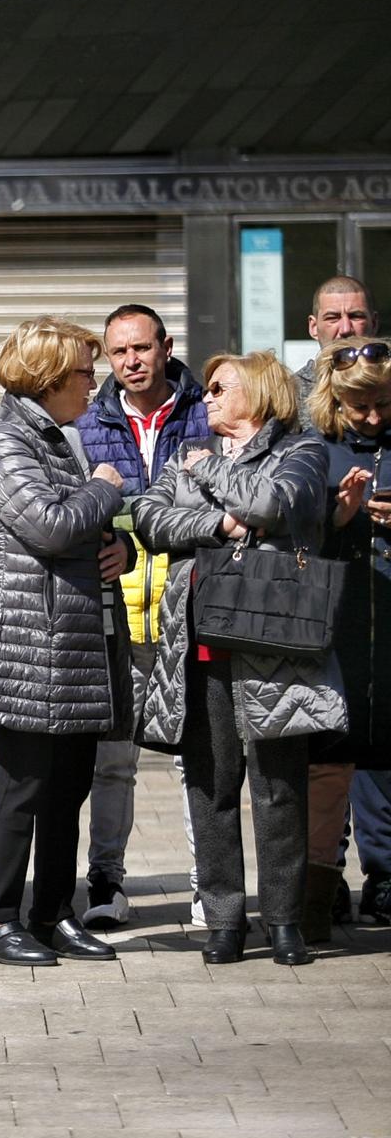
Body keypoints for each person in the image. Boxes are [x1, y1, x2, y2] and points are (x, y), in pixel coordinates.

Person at [135, 351, 339, 966]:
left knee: (278, 786)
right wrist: (221, 523)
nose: (208, 398)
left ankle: (284, 922)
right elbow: (149, 517)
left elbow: (275, 505)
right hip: (199, 638)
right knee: (211, 780)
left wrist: (215, 480)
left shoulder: (302, 450)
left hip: (273, 642)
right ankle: (223, 919)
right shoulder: (186, 454)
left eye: (222, 387)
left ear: (261, 392)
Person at [0, 317, 132, 967]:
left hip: (74, 638)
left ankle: (52, 911)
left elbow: (86, 532)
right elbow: (52, 525)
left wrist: (120, 544)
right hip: (27, 640)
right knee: (23, 781)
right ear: (51, 376)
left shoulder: (57, 435)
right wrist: (105, 490)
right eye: (87, 370)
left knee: (68, 783)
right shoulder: (6, 438)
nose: (96, 381)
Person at [73, 304, 210, 929]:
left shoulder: (204, 413)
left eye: (142, 348)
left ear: (166, 346)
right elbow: (87, 506)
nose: (131, 361)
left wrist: (137, 528)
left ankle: (209, 883)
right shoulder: (90, 419)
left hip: (192, 609)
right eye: (119, 352)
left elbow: (211, 506)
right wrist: (137, 526)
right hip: (118, 616)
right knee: (114, 759)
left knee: (197, 758)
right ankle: (106, 883)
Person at [308, 336, 391, 930]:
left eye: (383, 403)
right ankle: (325, 877)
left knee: (386, 754)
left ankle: (384, 877)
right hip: (335, 623)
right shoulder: (316, 448)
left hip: (387, 623)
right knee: (330, 752)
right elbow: (293, 534)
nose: (373, 417)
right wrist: (339, 515)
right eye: (360, 405)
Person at [295, 275, 376, 403]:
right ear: (314, 327)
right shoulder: (288, 396)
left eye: (356, 316)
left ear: (374, 323)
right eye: (333, 318)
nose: (345, 329)